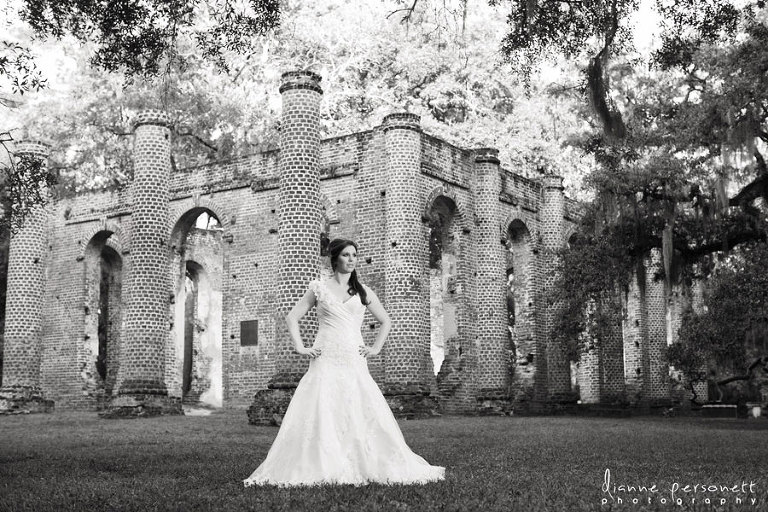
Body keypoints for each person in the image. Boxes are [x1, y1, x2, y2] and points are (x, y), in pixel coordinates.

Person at [243, 238, 445, 487]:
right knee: (323, 404)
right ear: (335, 258)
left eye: (355, 255)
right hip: (325, 355)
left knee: (357, 403)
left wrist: (375, 348)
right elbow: (292, 317)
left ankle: (364, 460)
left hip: (352, 356)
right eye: (346, 255)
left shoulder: (362, 292)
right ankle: (323, 461)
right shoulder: (319, 288)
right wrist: (300, 346)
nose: (352, 260)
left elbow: (386, 321)